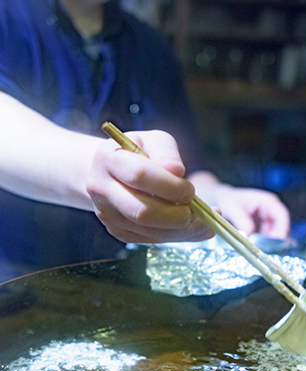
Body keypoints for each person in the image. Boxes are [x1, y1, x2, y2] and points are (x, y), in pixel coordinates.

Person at [0, 0, 290, 280]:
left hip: (115, 288)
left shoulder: (151, 49)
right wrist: (98, 168)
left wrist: (220, 198)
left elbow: (183, 172)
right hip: (15, 284)